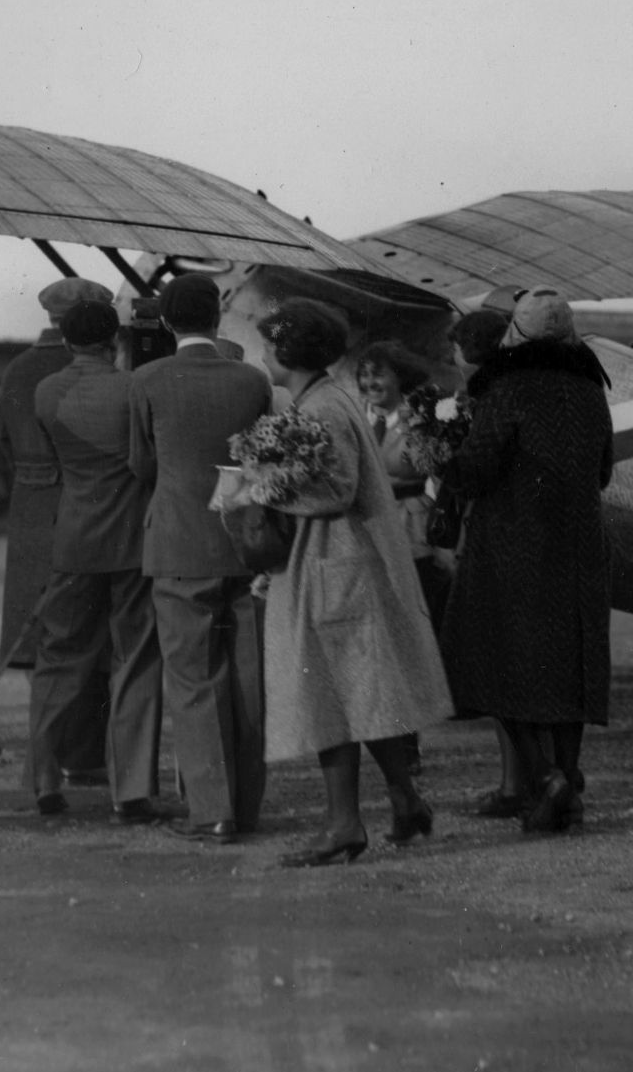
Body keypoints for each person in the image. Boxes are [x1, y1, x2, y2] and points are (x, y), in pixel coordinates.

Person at [249, 299, 452, 867]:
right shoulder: (329, 399)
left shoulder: (323, 409)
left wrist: (260, 489)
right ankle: (404, 798)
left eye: (269, 345)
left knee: (331, 694)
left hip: (332, 564)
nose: (263, 354)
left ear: (289, 353)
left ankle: (343, 824)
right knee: (363, 690)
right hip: (343, 563)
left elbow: (335, 490)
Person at [438, 286, 613, 834]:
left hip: (512, 541)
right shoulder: (591, 390)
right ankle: (569, 785)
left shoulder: (507, 387)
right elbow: (603, 470)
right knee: (568, 668)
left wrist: (445, 455)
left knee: (495, 656)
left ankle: (545, 780)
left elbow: (478, 466)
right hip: (580, 544)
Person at [128, 273, 273, 843]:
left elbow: (141, 465)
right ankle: (247, 803)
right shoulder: (251, 379)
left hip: (178, 544)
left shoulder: (145, 380)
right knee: (247, 677)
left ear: (165, 321)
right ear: (218, 317)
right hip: (245, 540)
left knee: (192, 679)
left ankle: (213, 809)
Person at [28, 300, 165, 823]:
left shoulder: (46, 392)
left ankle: (44, 776)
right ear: (116, 341)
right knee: (134, 660)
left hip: (75, 540)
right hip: (132, 539)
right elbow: (145, 462)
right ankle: (130, 789)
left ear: (66, 340)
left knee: (60, 657)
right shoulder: (134, 390)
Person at [0, 277, 113, 783]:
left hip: (29, 509)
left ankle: (43, 753)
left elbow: (2, 442)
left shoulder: (17, 370)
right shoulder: (92, 369)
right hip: (84, 505)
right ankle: (83, 755)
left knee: (40, 636)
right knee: (92, 630)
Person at [442, 307, 528, 819]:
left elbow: (473, 471)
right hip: (499, 541)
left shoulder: (490, 399)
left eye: (456, 350)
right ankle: (514, 782)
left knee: (501, 667)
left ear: (472, 353)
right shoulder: (500, 395)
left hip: (496, 545)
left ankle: (520, 784)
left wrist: (443, 459)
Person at [355, 340, 450, 625]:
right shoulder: (356, 416)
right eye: (365, 374)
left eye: (379, 374)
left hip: (411, 528)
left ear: (400, 377)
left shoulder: (421, 418)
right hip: (367, 526)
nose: (370, 382)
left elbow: (441, 477)